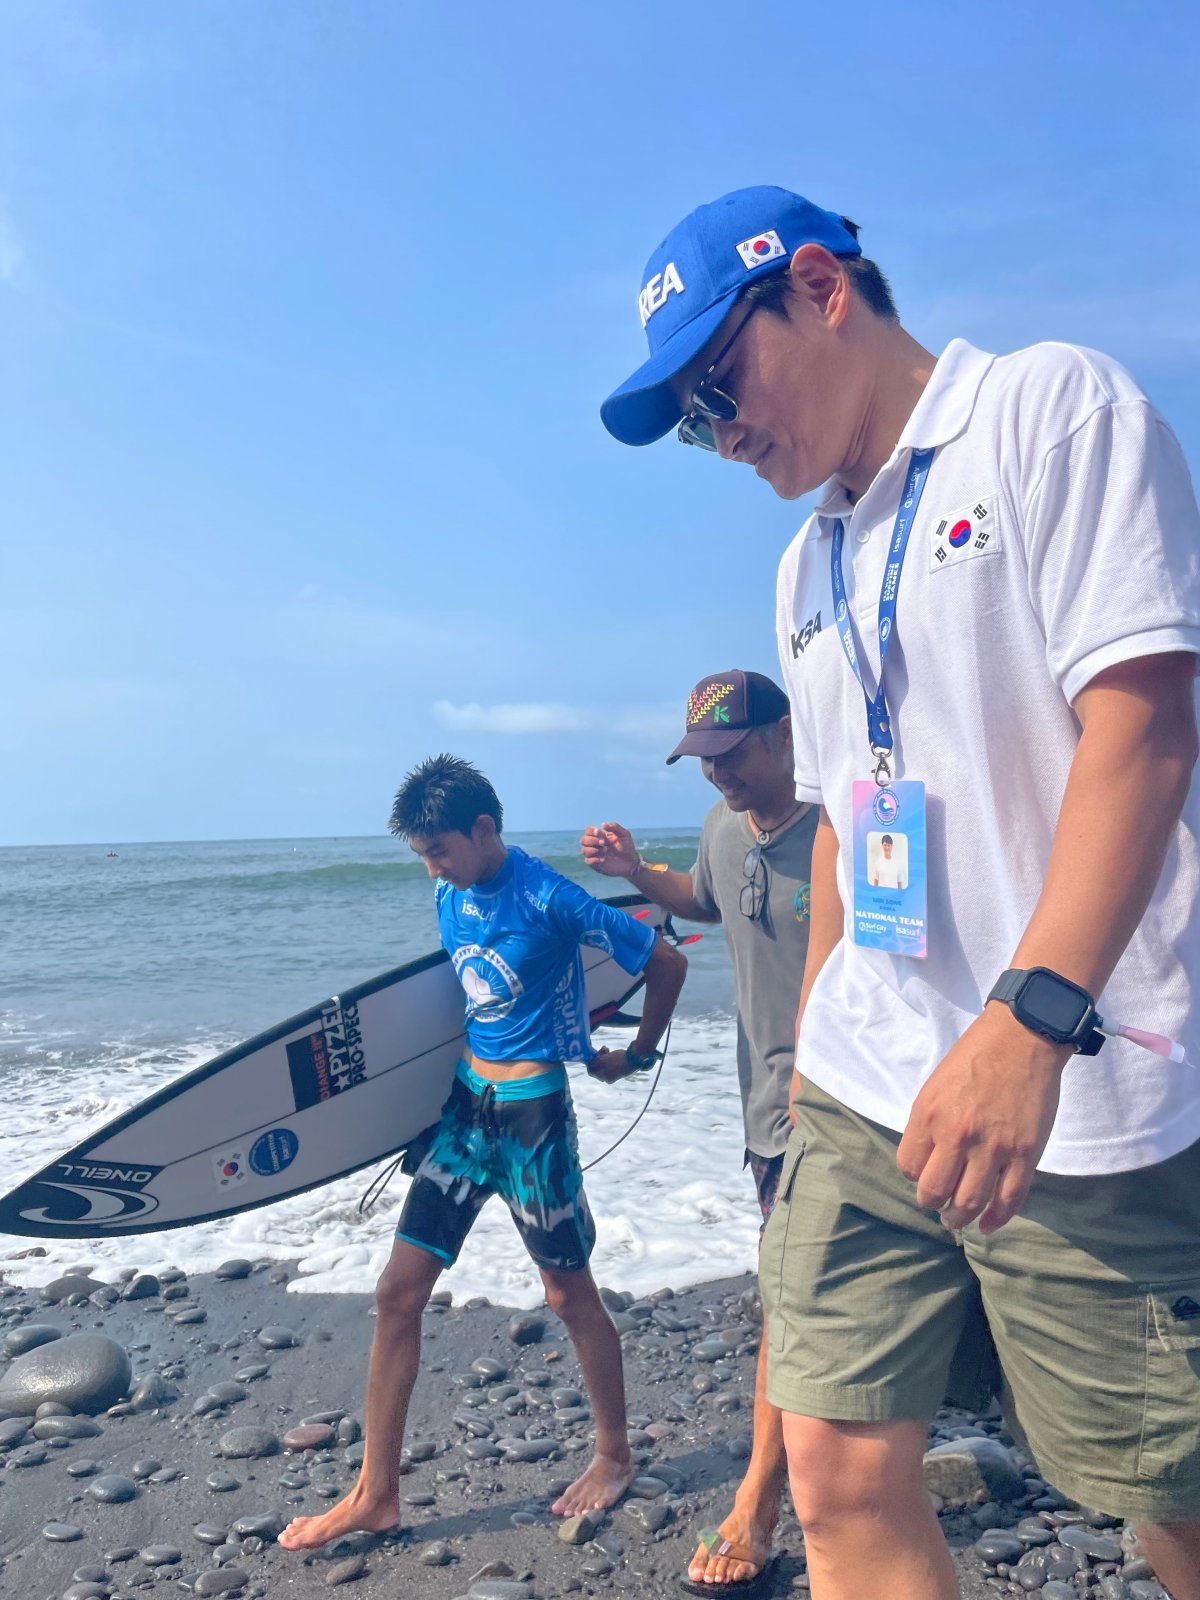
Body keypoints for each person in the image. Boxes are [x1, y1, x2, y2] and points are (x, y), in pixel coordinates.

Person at [600, 185, 1200, 1600]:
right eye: (688, 417)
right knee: (837, 1476)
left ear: (817, 288)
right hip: (868, 1085)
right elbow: (843, 822)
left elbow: (1151, 725)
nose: (717, 429)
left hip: (1074, 1079)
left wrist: (1031, 1021)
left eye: (718, 382)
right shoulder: (805, 562)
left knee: (1167, 1497)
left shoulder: (1048, 412)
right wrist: (817, 1051)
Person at [280, 753, 688, 1551]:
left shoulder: (549, 896)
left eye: (439, 849)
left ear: (484, 829)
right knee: (398, 1293)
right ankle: (376, 1494)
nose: (431, 867)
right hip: (466, 1113)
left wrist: (632, 1054)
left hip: (534, 1120)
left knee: (571, 1299)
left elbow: (665, 961)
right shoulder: (449, 890)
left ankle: (613, 1457)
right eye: (421, 853)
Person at [582, 667, 818, 1597]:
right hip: (765, 1108)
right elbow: (702, 899)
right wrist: (638, 872)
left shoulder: (843, 828)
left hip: (842, 1108)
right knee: (796, 1294)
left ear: (787, 731)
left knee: (788, 1298)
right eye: (704, 762)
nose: (720, 777)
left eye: (735, 755)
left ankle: (760, 1497)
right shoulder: (728, 826)